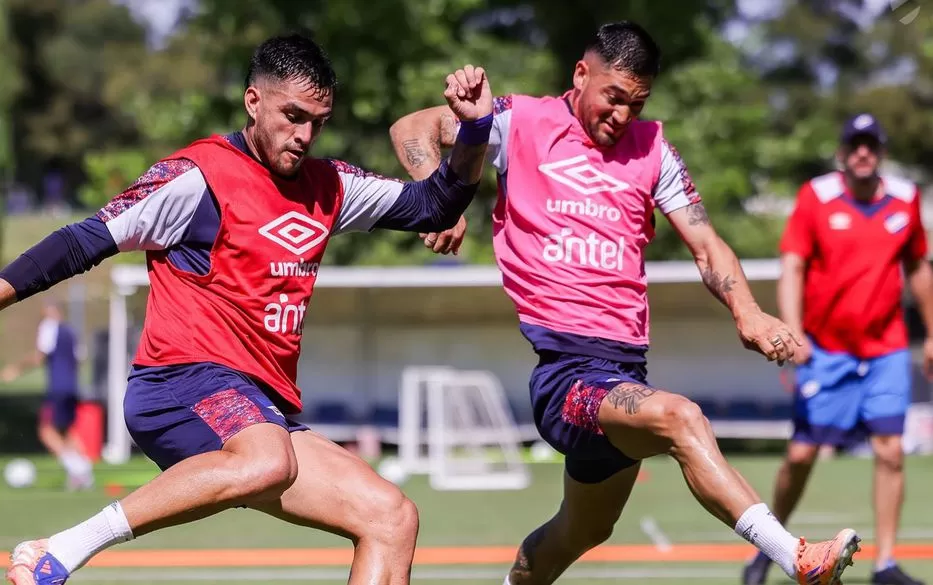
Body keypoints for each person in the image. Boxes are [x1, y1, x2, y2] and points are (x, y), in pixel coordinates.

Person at [4, 32, 494, 585]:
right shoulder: (196, 177)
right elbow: (80, 242)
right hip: (179, 384)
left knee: (390, 517)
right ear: (253, 101)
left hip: (260, 409)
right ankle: (63, 548)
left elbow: (435, 205)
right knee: (268, 460)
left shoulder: (330, 186)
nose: (304, 135)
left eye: (318, 122)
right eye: (293, 116)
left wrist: (475, 129)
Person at [389, 21, 862, 585]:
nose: (621, 116)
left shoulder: (654, 149)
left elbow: (707, 244)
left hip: (624, 374)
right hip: (567, 376)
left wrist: (748, 311)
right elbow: (412, 127)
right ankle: (795, 558)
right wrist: (438, 199)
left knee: (581, 530)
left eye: (636, 104)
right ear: (581, 74)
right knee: (682, 417)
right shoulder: (521, 121)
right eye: (612, 97)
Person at [741, 113, 933, 585]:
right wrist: (794, 331)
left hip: (886, 350)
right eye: (855, 145)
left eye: (871, 145)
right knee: (802, 455)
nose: (863, 153)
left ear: (881, 153)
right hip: (826, 351)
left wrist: (931, 332)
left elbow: (918, 268)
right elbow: (793, 265)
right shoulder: (817, 196)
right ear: (843, 153)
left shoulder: (906, 198)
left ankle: (885, 563)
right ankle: (769, 548)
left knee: (891, 451)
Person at [1, 300, 94, 491]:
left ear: (51, 311)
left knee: (46, 431)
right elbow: (80, 358)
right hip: (72, 386)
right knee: (67, 431)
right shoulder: (71, 331)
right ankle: (84, 475)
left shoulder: (49, 327)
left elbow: (40, 355)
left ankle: (78, 470)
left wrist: (15, 370)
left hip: (57, 387)